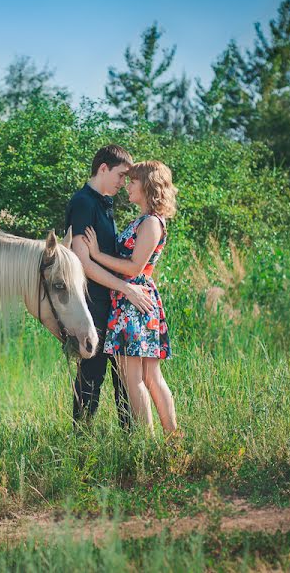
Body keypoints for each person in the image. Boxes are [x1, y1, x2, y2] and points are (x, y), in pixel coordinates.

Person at [82, 160, 178, 434]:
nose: (128, 186)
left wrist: (97, 255)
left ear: (147, 185)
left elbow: (135, 267)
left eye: (133, 181)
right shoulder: (143, 220)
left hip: (134, 302)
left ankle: (151, 442)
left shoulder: (150, 223)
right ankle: (171, 440)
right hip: (133, 300)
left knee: (135, 377)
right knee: (146, 376)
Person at [65, 145, 154, 429]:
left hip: (114, 302)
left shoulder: (105, 203)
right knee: (91, 372)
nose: (123, 183)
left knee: (123, 376)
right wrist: (126, 288)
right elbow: (82, 262)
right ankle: (81, 440)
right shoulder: (83, 203)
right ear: (103, 168)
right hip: (93, 301)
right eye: (120, 175)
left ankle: (131, 440)